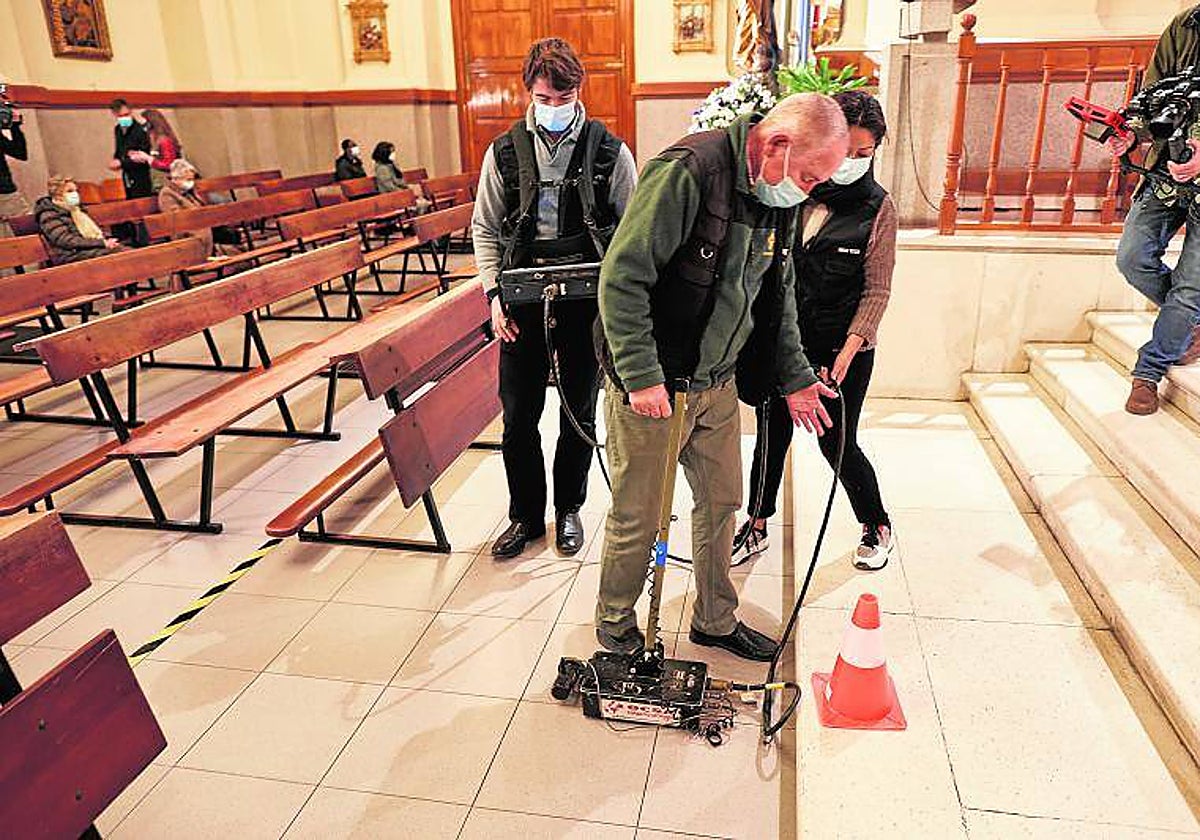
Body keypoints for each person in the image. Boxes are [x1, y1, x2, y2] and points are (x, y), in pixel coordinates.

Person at [594, 93, 846, 661]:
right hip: (655, 386)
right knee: (641, 518)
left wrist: (797, 377)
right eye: (807, 176)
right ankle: (615, 628)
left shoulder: (774, 195)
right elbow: (622, 279)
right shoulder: (688, 171)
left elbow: (776, 299)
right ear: (777, 145)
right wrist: (640, 376)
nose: (807, 192)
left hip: (717, 382)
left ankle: (713, 618)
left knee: (721, 502)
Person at [473, 37, 638, 558]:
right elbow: (483, 228)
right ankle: (525, 516)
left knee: (578, 413)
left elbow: (631, 233)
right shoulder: (502, 152)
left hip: (584, 302)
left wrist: (618, 305)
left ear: (578, 92)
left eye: (561, 101)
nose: (552, 110)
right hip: (519, 299)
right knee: (519, 417)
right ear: (528, 92)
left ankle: (569, 509)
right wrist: (494, 295)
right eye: (543, 100)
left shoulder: (610, 151)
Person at [733, 90, 896, 572]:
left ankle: (876, 523)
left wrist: (849, 351)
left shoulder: (876, 208)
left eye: (865, 156)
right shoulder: (793, 191)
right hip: (782, 345)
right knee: (770, 433)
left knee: (836, 440)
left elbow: (876, 292)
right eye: (849, 152)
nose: (853, 164)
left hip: (840, 347)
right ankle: (757, 524)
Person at [1112, 5, 1200, 415]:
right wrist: (1131, 135)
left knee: (1189, 286)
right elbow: (1151, 97)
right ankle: (1189, 322)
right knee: (1131, 258)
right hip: (1166, 174)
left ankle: (1147, 373)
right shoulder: (1185, 25)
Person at [158, 158, 240, 258]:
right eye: (188, 179)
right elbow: (177, 217)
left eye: (192, 179)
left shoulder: (189, 191)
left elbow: (201, 205)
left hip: (202, 223)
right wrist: (199, 216)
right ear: (176, 178)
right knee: (223, 234)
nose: (191, 182)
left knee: (231, 233)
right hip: (188, 228)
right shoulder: (167, 194)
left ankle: (233, 259)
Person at [34, 175, 121, 264]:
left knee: (124, 250)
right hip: (70, 254)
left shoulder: (77, 209)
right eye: (70, 191)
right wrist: (102, 243)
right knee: (119, 254)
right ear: (57, 195)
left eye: (76, 191)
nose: (75, 194)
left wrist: (107, 240)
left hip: (86, 249)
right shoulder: (49, 214)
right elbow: (66, 240)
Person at [107, 98, 153, 199]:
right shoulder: (118, 129)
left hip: (141, 175)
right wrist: (116, 159)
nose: (124, 118)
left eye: (126, 114)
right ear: (115, 115)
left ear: (131, 112)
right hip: (127, 174)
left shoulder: (140, 130)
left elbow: (144, 156)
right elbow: (119, 150)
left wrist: (122, 162)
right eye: (120, 116)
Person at [0, 90, 29, 239]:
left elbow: (20, 153)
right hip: (4, 192)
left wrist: (15, 126)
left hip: (5, 191)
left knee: (24, 232)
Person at [140, 109, 182, 193]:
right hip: (158, 183)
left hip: (167, 184)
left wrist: (149, 159)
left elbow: (168, 164)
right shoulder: (154, 140)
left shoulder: (164, 140)